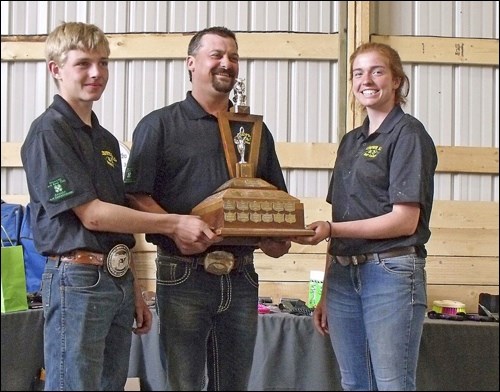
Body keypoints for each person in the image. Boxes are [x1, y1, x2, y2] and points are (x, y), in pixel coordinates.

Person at [21, 22, 219, 391]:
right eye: (83, 64)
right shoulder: (49, 133)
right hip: (76, 279)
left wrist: (134, 286)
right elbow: (93, 215)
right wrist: (174, 224)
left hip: (115, 278)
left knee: (111, 383)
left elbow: (120, 220)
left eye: (103, 62)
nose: (97, 73)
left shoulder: (106, 140)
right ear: (55, 69)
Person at [123, 26, 291, 391]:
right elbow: (135, 195)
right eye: (216, 54)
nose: (226, 63)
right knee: (183, 384)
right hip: (183, 275)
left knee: (234, 384)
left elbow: (275, 197)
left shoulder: (255, 132)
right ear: (191, 63)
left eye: (233, 56)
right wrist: (175, 227)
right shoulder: (159, 125)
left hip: (242, 276)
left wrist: (276, 236)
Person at [292, 42, 437, 391]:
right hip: (344, 274)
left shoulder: (408, 134)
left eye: (377, 71)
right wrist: (326, 290)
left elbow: (404, 221)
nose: (366, 80)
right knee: (354, 382)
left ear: (397, 80)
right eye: (358, 73)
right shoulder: (351, 141)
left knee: (392, 384)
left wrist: (329, 229)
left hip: (390, 272)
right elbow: (339, 215)